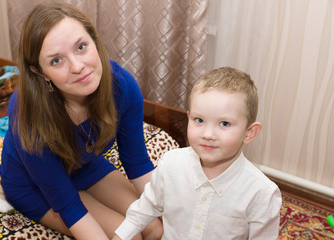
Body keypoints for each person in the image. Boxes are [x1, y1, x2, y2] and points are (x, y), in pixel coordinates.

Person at [0, 2, 163, 240]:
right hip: (33, 185)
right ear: (40, 73)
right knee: (130, 237)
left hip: (84, 166)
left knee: (156, 228)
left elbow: (137, 163)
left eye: (81, 47)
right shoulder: (28, 112)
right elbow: (67, 205)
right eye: (56, 60)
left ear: (94, 40)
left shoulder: (122, 87)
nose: (78, 67)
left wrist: (176, 218)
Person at [113, 67, 282, 240]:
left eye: (224, 123)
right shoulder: (170, 164)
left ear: (249, 133)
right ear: (189, 118)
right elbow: (146, 207)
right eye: (199, 120)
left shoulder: (262, 194)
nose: (207, 134)